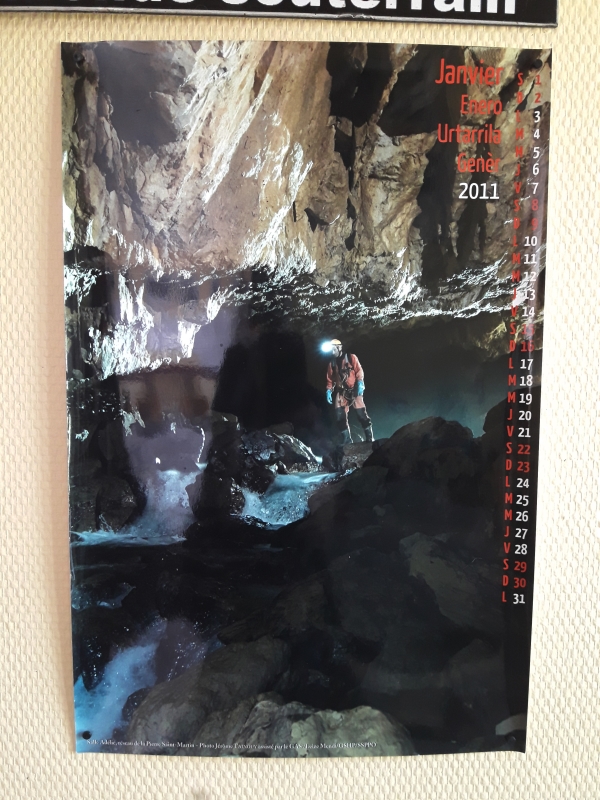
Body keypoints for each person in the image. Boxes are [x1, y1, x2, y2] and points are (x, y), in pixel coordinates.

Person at [325, 339, 374, 445]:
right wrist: (329, 390)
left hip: (354, 389)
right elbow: (330, 379)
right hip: (341, 392)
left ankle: (370, 437)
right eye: (331, 350)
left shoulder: (351, 358)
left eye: (334, 349)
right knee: (340, 417)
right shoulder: (332, 363)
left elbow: (359, 370)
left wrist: (360, 382)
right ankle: (347, 440)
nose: (332, 352)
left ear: (339, 348)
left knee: (361, 414)